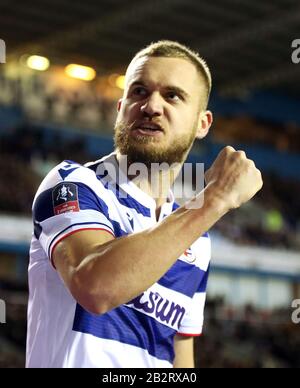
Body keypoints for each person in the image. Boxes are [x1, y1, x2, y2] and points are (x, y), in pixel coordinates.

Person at [26, 40, 263, 368]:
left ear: (202, 124)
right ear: (120, 108)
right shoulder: (73, 184)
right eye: (139, 92)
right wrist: (215, 198)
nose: (151, 106)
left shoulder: (197, 239)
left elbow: (180, 362)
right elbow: (95, 287)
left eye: (172, 96)